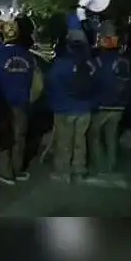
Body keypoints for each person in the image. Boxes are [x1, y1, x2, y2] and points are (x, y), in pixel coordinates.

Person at [0, 20, 42, 184]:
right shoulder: (29, 57)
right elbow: (38, 84)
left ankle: (6, 172)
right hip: (21, 104)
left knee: (3, 138)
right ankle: (17, 170)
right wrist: (29, 99)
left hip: (1, 104)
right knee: (19, 137)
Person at [46, 23, 97, 182]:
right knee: (80, 141)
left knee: (64, 141)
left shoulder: (61, 63)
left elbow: (51, 84)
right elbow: (98, 84)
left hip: (64, 108)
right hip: (84, 108)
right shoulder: (91, 63)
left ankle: (63, 172)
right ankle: (79, 170)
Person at [88, 21, 131, 180]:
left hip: (102, 104)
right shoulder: (124, 61)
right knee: (111, 136)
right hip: (119, 106)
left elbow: (93, 81)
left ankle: (100, 166)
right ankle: (111, 165)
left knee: (94, 134)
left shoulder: (98, 60)